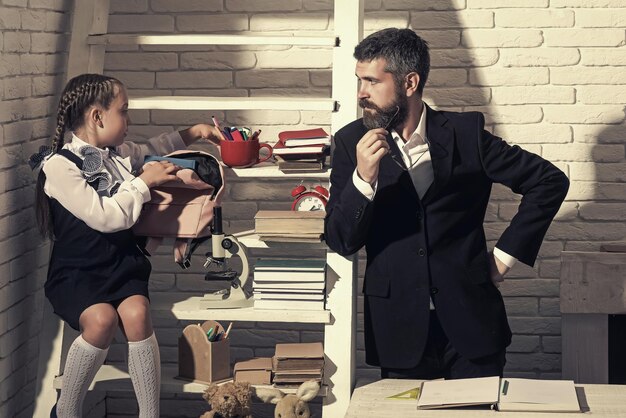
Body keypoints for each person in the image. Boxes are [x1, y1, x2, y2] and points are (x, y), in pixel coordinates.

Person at [324, 28, 569, 380]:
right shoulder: (350, 143)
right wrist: (363, 179)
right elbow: (341, 240)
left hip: (473, 325)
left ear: (410, 83)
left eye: (372, 81)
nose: (361, 93)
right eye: (359, 80)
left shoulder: (465, 133)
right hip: (398, 327)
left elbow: (549, 181)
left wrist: (503, 258)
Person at [30, 73, 222, 418]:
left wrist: (194, 132)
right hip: (78, 272)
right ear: (97, 117)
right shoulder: (60, 166)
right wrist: (144, 183)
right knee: (101, 320)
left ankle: (150, 413)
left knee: (137, 313)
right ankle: (67, 409)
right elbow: (106, 217)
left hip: (121, 263)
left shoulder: (114, 154)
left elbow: (154, 148)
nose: (129, 120)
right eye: (124, 110)